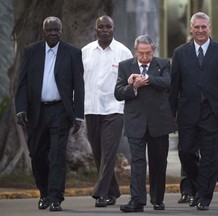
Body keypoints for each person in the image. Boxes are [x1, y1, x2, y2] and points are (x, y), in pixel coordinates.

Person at [169, 12, 218, 211]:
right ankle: (198, 185)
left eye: (204, 27)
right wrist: (171, 112)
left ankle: (204, 197)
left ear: (210, 28)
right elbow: (174, 86)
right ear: (191, 29)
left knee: (210, 156)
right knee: (185, 152)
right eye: (197, 27)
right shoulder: (180, 53)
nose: (200, 31)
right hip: (187, 112)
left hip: (212, 112)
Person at [15, 16, 84, 211]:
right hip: (36, 111)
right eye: (49, 30)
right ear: (43, 31)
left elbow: (79, 86)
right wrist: (21, 108)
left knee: (57, 155)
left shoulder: (72, 53)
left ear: (61, 31)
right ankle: (44, 193)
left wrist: (78, 114)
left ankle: (55, 197)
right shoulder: (30, 52)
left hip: (60, 111)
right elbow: (21, 84)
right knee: (36, 153)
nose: (53, 33)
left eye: (56, 30)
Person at [114, 35, 176, 212]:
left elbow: (167, 82)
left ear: (153, 50)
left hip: (159, 122)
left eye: (148, 53)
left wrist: (144, 79)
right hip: (135, 122)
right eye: (141, 53)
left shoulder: (162, 64)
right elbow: (118, 93)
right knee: (138, 162)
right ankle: (137, 200)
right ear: (136, 52)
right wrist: (133, 87)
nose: (144, 57)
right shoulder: (126, 66)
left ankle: (157, 199)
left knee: (158, 162)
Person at [81, 15, 133, 207]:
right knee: (97, 152)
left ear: (114, 29)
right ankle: (113, 190)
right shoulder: (85, 52)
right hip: (91, 108)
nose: (104, 29)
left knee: (109, 152)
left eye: (108, 26)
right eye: (100, 26)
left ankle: (100, 193)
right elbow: (79, 82)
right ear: (95, 29)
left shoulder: (123, 52)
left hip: (114, 109)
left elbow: (131, 82)